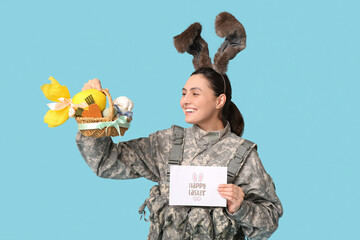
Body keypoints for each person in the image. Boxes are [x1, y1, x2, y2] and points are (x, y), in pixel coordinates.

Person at [76, 12, 283, 240]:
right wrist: (94, 115)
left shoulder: (242, 154)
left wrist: (240, 207)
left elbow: (269, 220)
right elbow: (106, 163)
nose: (185, 100)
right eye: (184, 93)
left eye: (195, 93)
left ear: (219, 101)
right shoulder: (165, 143)